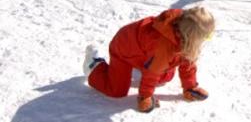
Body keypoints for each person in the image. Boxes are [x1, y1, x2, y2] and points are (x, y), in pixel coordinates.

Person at [83, 7, 214, 113]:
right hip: (124, 49)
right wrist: (145, 96)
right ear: (191, 36)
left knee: (165, 77)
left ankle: (139, 67)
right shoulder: (163, 47)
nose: (207, 39)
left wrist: (190, 87)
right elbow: (152, 73)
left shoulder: (184, 32)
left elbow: (188, 60)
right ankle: (94, 64)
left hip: (144, 52)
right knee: (117, 91)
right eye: (206, 36)